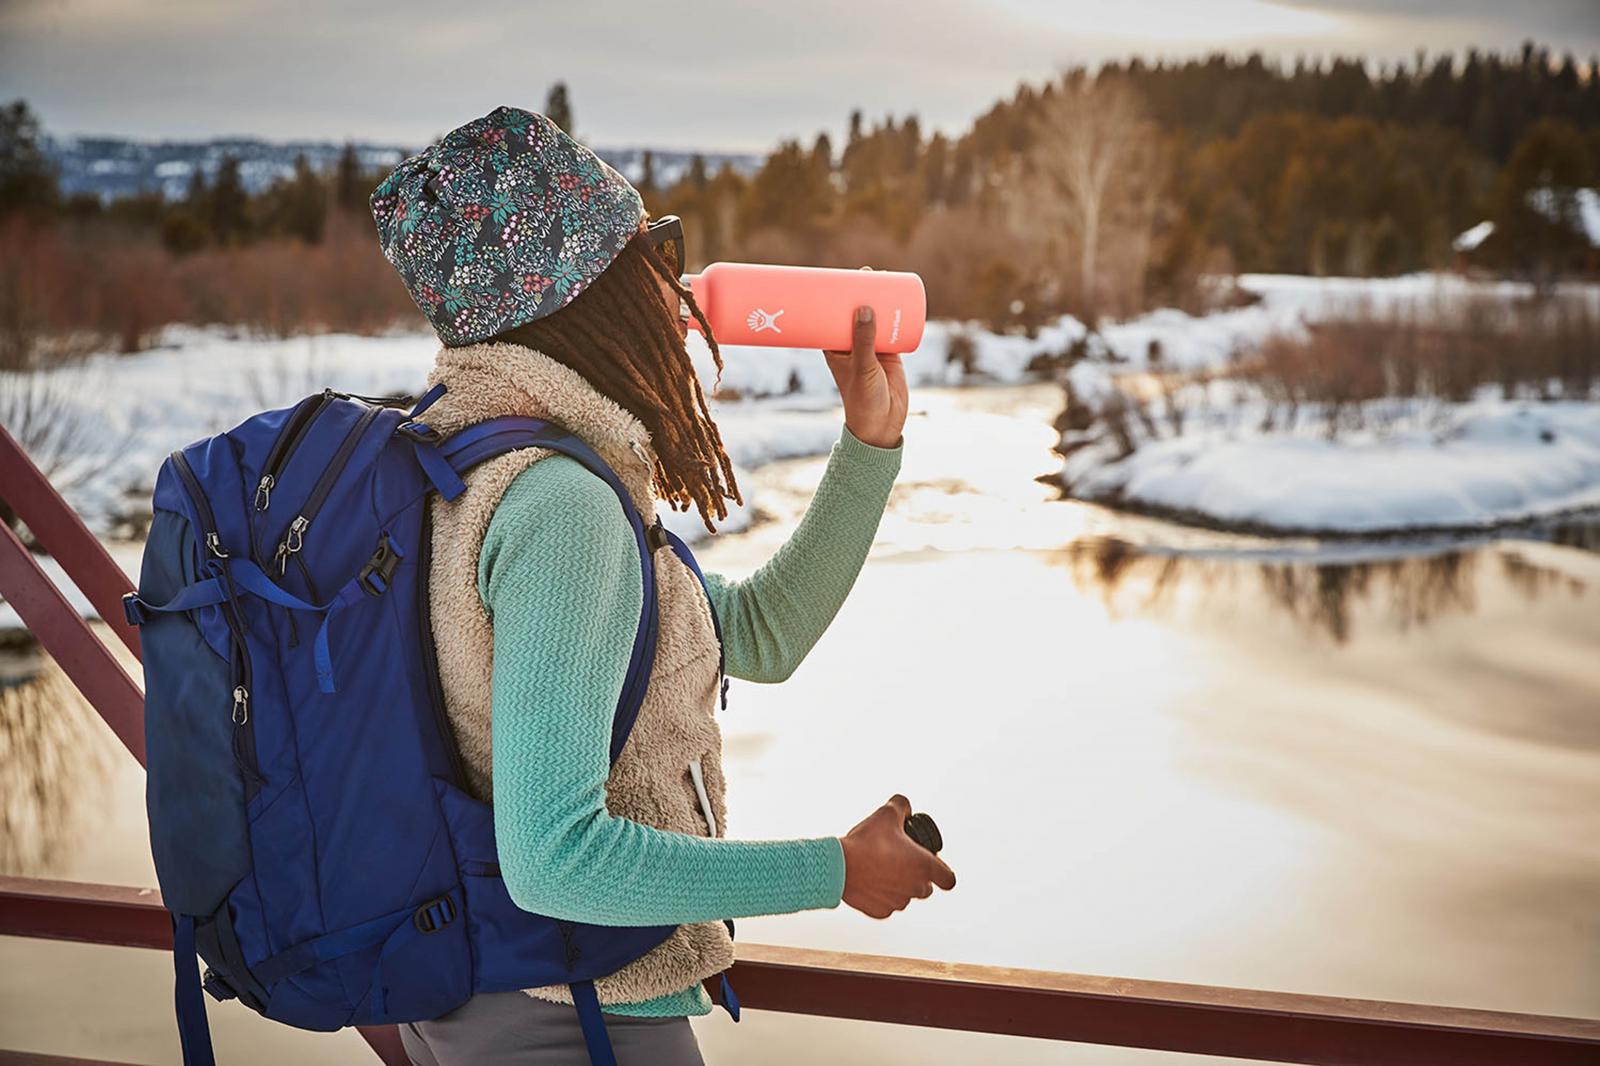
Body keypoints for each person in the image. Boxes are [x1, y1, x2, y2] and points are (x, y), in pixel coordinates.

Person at [370, 106, 956, 1066]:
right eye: (649, 249)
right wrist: (837, 870)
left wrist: (870, 442)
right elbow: (556, 858)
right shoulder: (560, 508)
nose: (671, 280)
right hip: (567, 1019)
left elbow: (756, 635)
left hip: (477, 998)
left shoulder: (468, 456)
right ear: (586, 293)